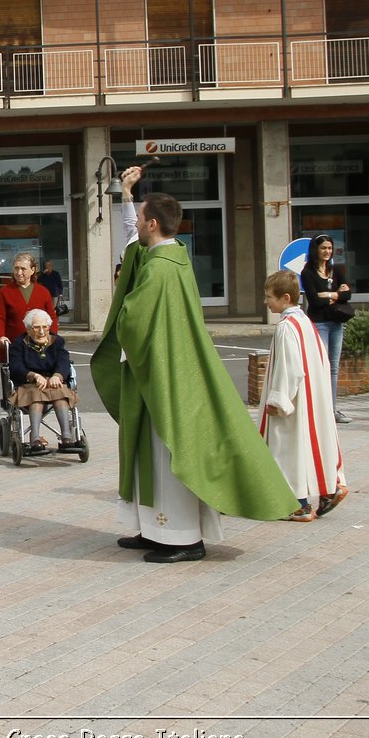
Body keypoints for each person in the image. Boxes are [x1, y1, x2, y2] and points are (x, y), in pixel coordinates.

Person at [91, 165, 297, 563]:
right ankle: (155, 530)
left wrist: (122, 301)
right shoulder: (169, 256)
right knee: (147, 455)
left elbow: (132, 318)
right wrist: (127, 197)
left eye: (141, 217)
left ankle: (184, 539)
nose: (138, 225)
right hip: (158, 371)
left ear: (153, 223)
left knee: (168, 454)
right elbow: (132, 245)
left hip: (165, 378)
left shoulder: (160, 270)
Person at [259, 270, 346, 522]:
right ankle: (330, 488)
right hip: (311, 398)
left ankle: (299, 505)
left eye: (269, 297)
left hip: (294, 401)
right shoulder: (305, 322)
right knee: (313, 445)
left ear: (285, 297)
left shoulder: (287, 327)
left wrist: (278, 400)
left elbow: (289, 367)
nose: (266, 302)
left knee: (287, 450)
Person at [300, 233, 353, 425]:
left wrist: (330, 295)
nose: (327, 252)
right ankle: (318, 408)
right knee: (320, 366)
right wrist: (336, 294)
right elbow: (313, 300)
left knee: (333, 367)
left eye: (330, 248)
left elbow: (348, 295)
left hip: (336, 322)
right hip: (319, 323)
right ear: (316, 249)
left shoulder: (336, 270)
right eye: (323, 248)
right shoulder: (308, 273)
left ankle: (332, 409)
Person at [8, 308, 75, 455]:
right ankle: (35, 439)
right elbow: (16, 367)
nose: (42, 331)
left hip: (52, 382)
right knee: (36, 395)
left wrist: (57, 375)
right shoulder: (19, 343)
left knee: (60, 394)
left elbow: (64, 362)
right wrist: (34, 376)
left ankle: (66, 437)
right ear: (28, 329)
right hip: (29, 384)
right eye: (36, 327)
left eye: (45, 327)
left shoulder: (57, 341)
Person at [0, 252, 56, 346]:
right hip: (13, 344)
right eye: (16, 268)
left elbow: (51, 317)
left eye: (23, 269)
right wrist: (1, 336)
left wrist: (52, 336)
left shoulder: (43, 292)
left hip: (39, 345)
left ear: (32, 270)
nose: (19, 273)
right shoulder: (5, 292)